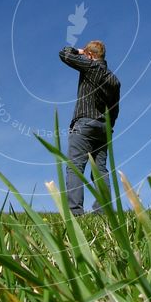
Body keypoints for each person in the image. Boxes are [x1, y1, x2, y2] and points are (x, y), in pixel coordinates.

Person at [58, 40, 121, 215]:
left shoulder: (91, 67)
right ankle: (104, 211)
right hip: (103, 128)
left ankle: (75, 212)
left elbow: (64, 53)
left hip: (84, 123)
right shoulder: (114, 80)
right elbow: (115, 108)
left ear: (91, 56)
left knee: (75, 166)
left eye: (86, 55)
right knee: (100, 170)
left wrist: (78, 51)